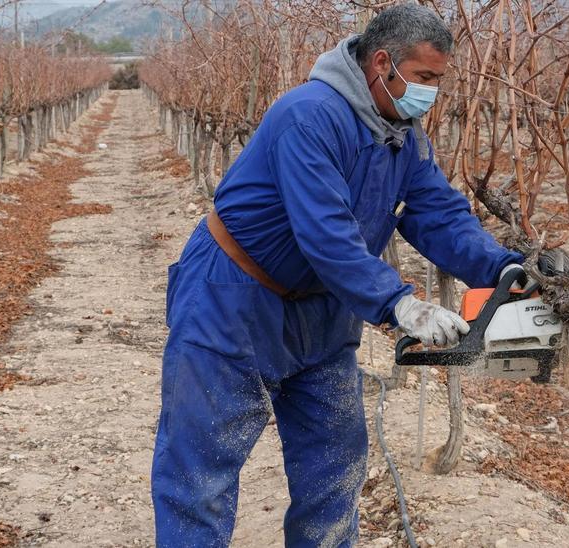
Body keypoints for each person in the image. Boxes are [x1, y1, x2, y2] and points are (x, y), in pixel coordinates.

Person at [150, 4, 526, 546]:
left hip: (324, 312)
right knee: (201, 468)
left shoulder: (404, 135)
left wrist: (500, 267)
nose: (431, 93)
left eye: (438, 81)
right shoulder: (309, 116)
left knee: (335, 462)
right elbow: (325, 234)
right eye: (423, 78)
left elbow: (438, 214)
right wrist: (400, 304)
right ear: (381, 64)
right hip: (232, 299)